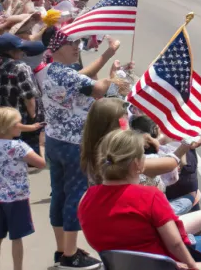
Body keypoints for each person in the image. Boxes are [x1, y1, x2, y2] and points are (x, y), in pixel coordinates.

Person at [78, 130, 201, 270]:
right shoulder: (149, 196)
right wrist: (193, 266)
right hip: (160, 264)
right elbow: (175, 244)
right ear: (137, 163)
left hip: (120, 265)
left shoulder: (86, 199)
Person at [41, 31, 122, 270]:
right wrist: (114, 74)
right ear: (56, 49)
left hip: (55, 140)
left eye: (77, 43)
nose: (76, 47)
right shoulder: (67, 75)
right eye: (70, 44)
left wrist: (108, 56)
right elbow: (99, 90)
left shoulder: (51, 71)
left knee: (59, 194)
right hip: (74, 143)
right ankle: (70, 255)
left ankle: (63, 248)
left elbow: (84, 79)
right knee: (75, 196)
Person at [0, 107, 46, 270]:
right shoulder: (18, 146)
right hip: (17, 197)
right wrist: (41, 145)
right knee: (16, 237)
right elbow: (41, 163)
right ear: (10, 127)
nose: (20, 126)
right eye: (17, 123)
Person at [0, 34, 46, 157]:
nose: (22, 52)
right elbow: (28, 96)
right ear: (10, 51)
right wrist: (34, 116)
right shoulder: (20, 67)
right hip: (17, 117)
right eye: (20, 49)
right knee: (27, 153)